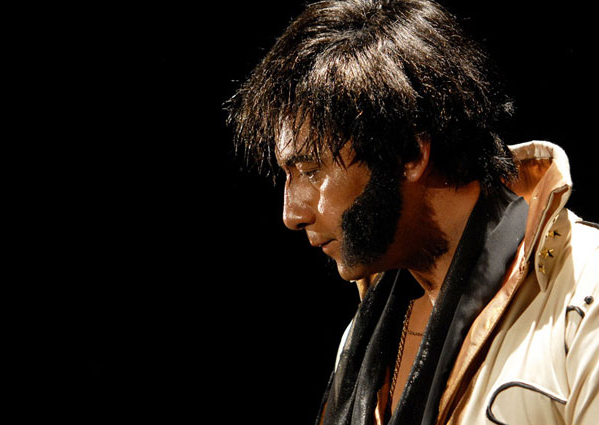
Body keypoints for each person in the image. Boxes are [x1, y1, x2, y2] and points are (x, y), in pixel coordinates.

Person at [225, 1, 599, 424]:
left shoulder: (586, 294)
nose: (292, 214)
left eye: (311, 171)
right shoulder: (364, 337)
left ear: (407, 152)